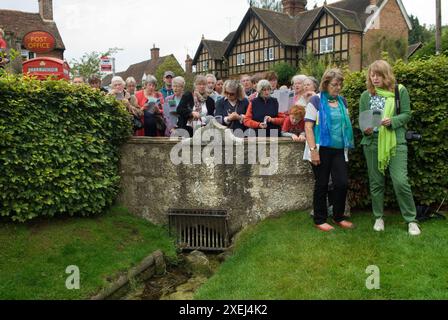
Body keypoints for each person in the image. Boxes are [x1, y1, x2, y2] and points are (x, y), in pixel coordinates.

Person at [360, 60, 421, 236]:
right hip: (372, 143)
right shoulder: (366, 95)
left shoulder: (399, 91)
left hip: (395, 141)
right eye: (372, 75)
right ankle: (378, 217)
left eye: (378, 75)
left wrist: (392, 121)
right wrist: (366, 129)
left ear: (386, 75)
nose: (375, 78)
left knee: (400, 181)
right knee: (376, 183)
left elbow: (407, 114)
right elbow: (362, 120)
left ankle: (411, 220)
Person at [304, 68, 355, 232]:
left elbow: (343, 125)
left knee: (341, 183)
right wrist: (313, 150)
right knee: (322, 184)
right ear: (326, 84)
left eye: (340, 84)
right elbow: (308, 126)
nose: (338, 87)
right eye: (334, 84)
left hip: (339, 149)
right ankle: (320, 219)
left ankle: (338, 216)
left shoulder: (342, 102)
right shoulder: (315, 101)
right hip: (320, 148)